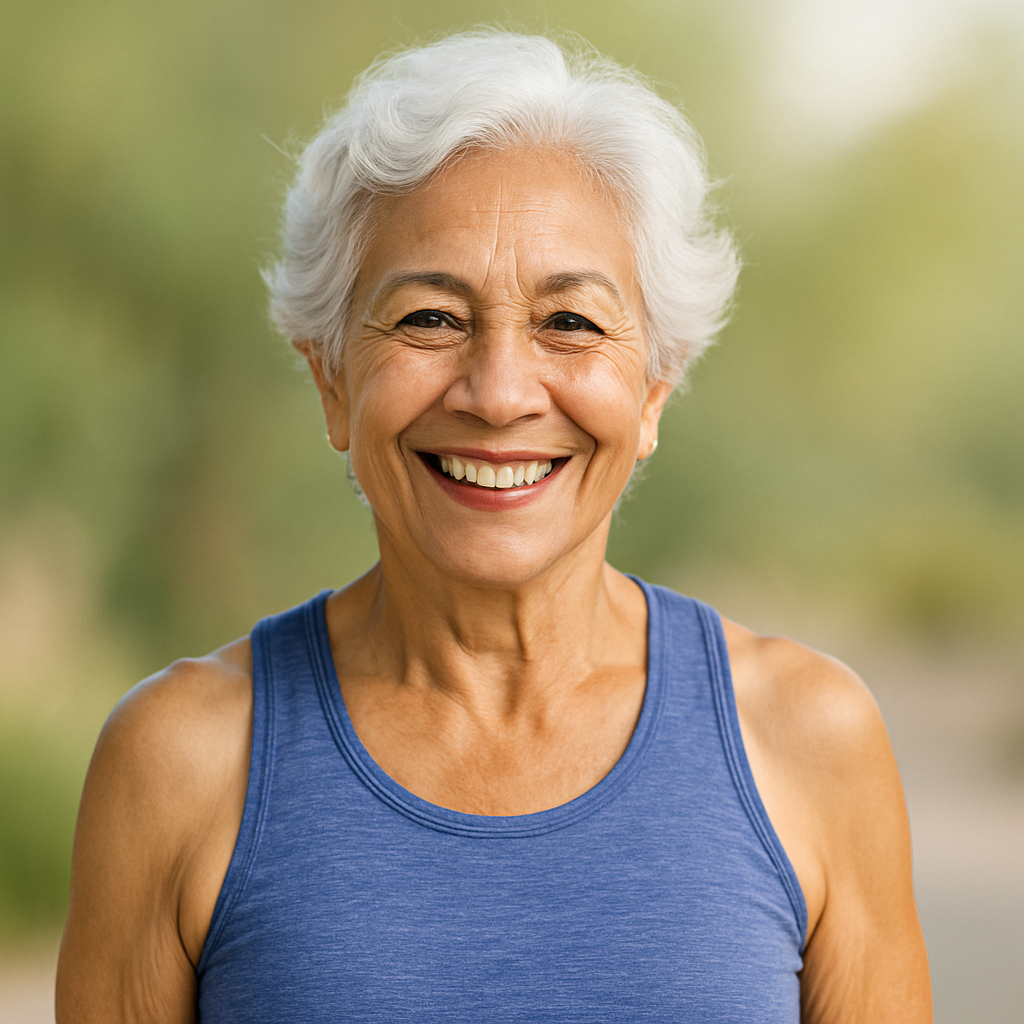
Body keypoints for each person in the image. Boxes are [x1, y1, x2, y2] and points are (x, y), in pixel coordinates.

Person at [55, 30, 932, 1023]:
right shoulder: (178, 761)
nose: (500, 391)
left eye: (571, 323)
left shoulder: (809, 740)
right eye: (430, 318)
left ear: (652, 391)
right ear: (331, 379)